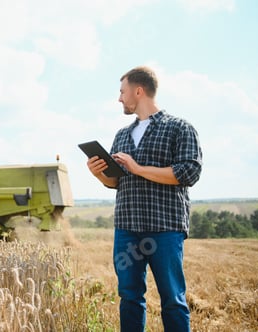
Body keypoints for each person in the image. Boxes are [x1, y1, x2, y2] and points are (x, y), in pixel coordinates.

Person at [86, 66, 202, 332]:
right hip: (127, 228)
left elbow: (188, 172)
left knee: (172, 299)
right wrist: (99, 175)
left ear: (138, 91)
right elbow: (117, 182)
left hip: (164, 229)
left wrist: (137, 168)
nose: (119, 98)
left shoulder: (179, 128)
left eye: (122, 91)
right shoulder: (122, 135)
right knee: (129, 296)